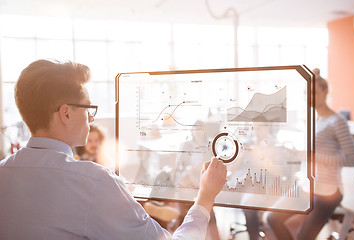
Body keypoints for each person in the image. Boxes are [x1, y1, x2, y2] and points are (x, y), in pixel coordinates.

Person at [0, 59, 227, 240]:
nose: (91, 117)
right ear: (66, 113)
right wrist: (205, 197)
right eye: (88, 108)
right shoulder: (94, 182)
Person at [266, 68, 354, 240]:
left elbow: (352, 159)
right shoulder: (315, 120)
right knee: (272, 218)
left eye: (314, 92)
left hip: (327, 192)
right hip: (306, 185)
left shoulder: (337, 121)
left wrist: (313, 157)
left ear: (325, 92)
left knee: (303, 237)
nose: (310, 97)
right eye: (306, 93)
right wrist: (295, 153)